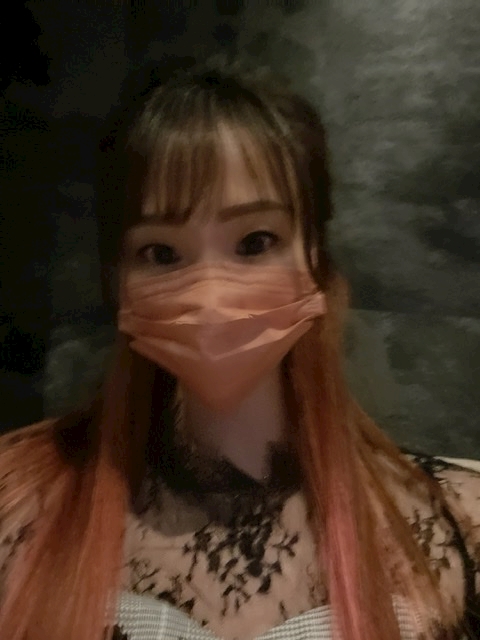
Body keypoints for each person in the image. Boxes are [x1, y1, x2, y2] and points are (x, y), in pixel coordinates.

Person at [0, 58, 479, 640]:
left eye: (254, 242)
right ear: (117, 281)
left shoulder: (459, 525)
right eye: (161, 253)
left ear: (315, 258)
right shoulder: (13, 500)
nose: (210, 295)